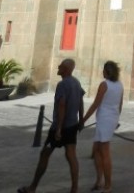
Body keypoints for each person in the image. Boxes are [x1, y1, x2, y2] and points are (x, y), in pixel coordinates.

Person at [18, 58, 85, 193]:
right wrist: (81, 120)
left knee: (44, 154)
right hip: (72, 125)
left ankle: (32, 188)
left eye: (60, 66)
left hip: (59, 128)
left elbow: (62, 105)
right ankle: (74, 189)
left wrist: (59, 128)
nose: (58, 67)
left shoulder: (62, 85)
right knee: (71, 156)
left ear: (65, 69)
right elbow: (80, 102)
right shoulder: (76, 83)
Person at [82, 60, 124, 193]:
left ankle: (108, 185)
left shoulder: (104, 85)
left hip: (104, 120)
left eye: (104, 69)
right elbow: (120, 105)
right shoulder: (120, 85)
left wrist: (83, 120)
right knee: (98, 151)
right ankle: (99, 181)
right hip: (110, 119)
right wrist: (116, 119)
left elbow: (95, 104)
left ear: (107, 71)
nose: (102, 72)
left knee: (104, 152)